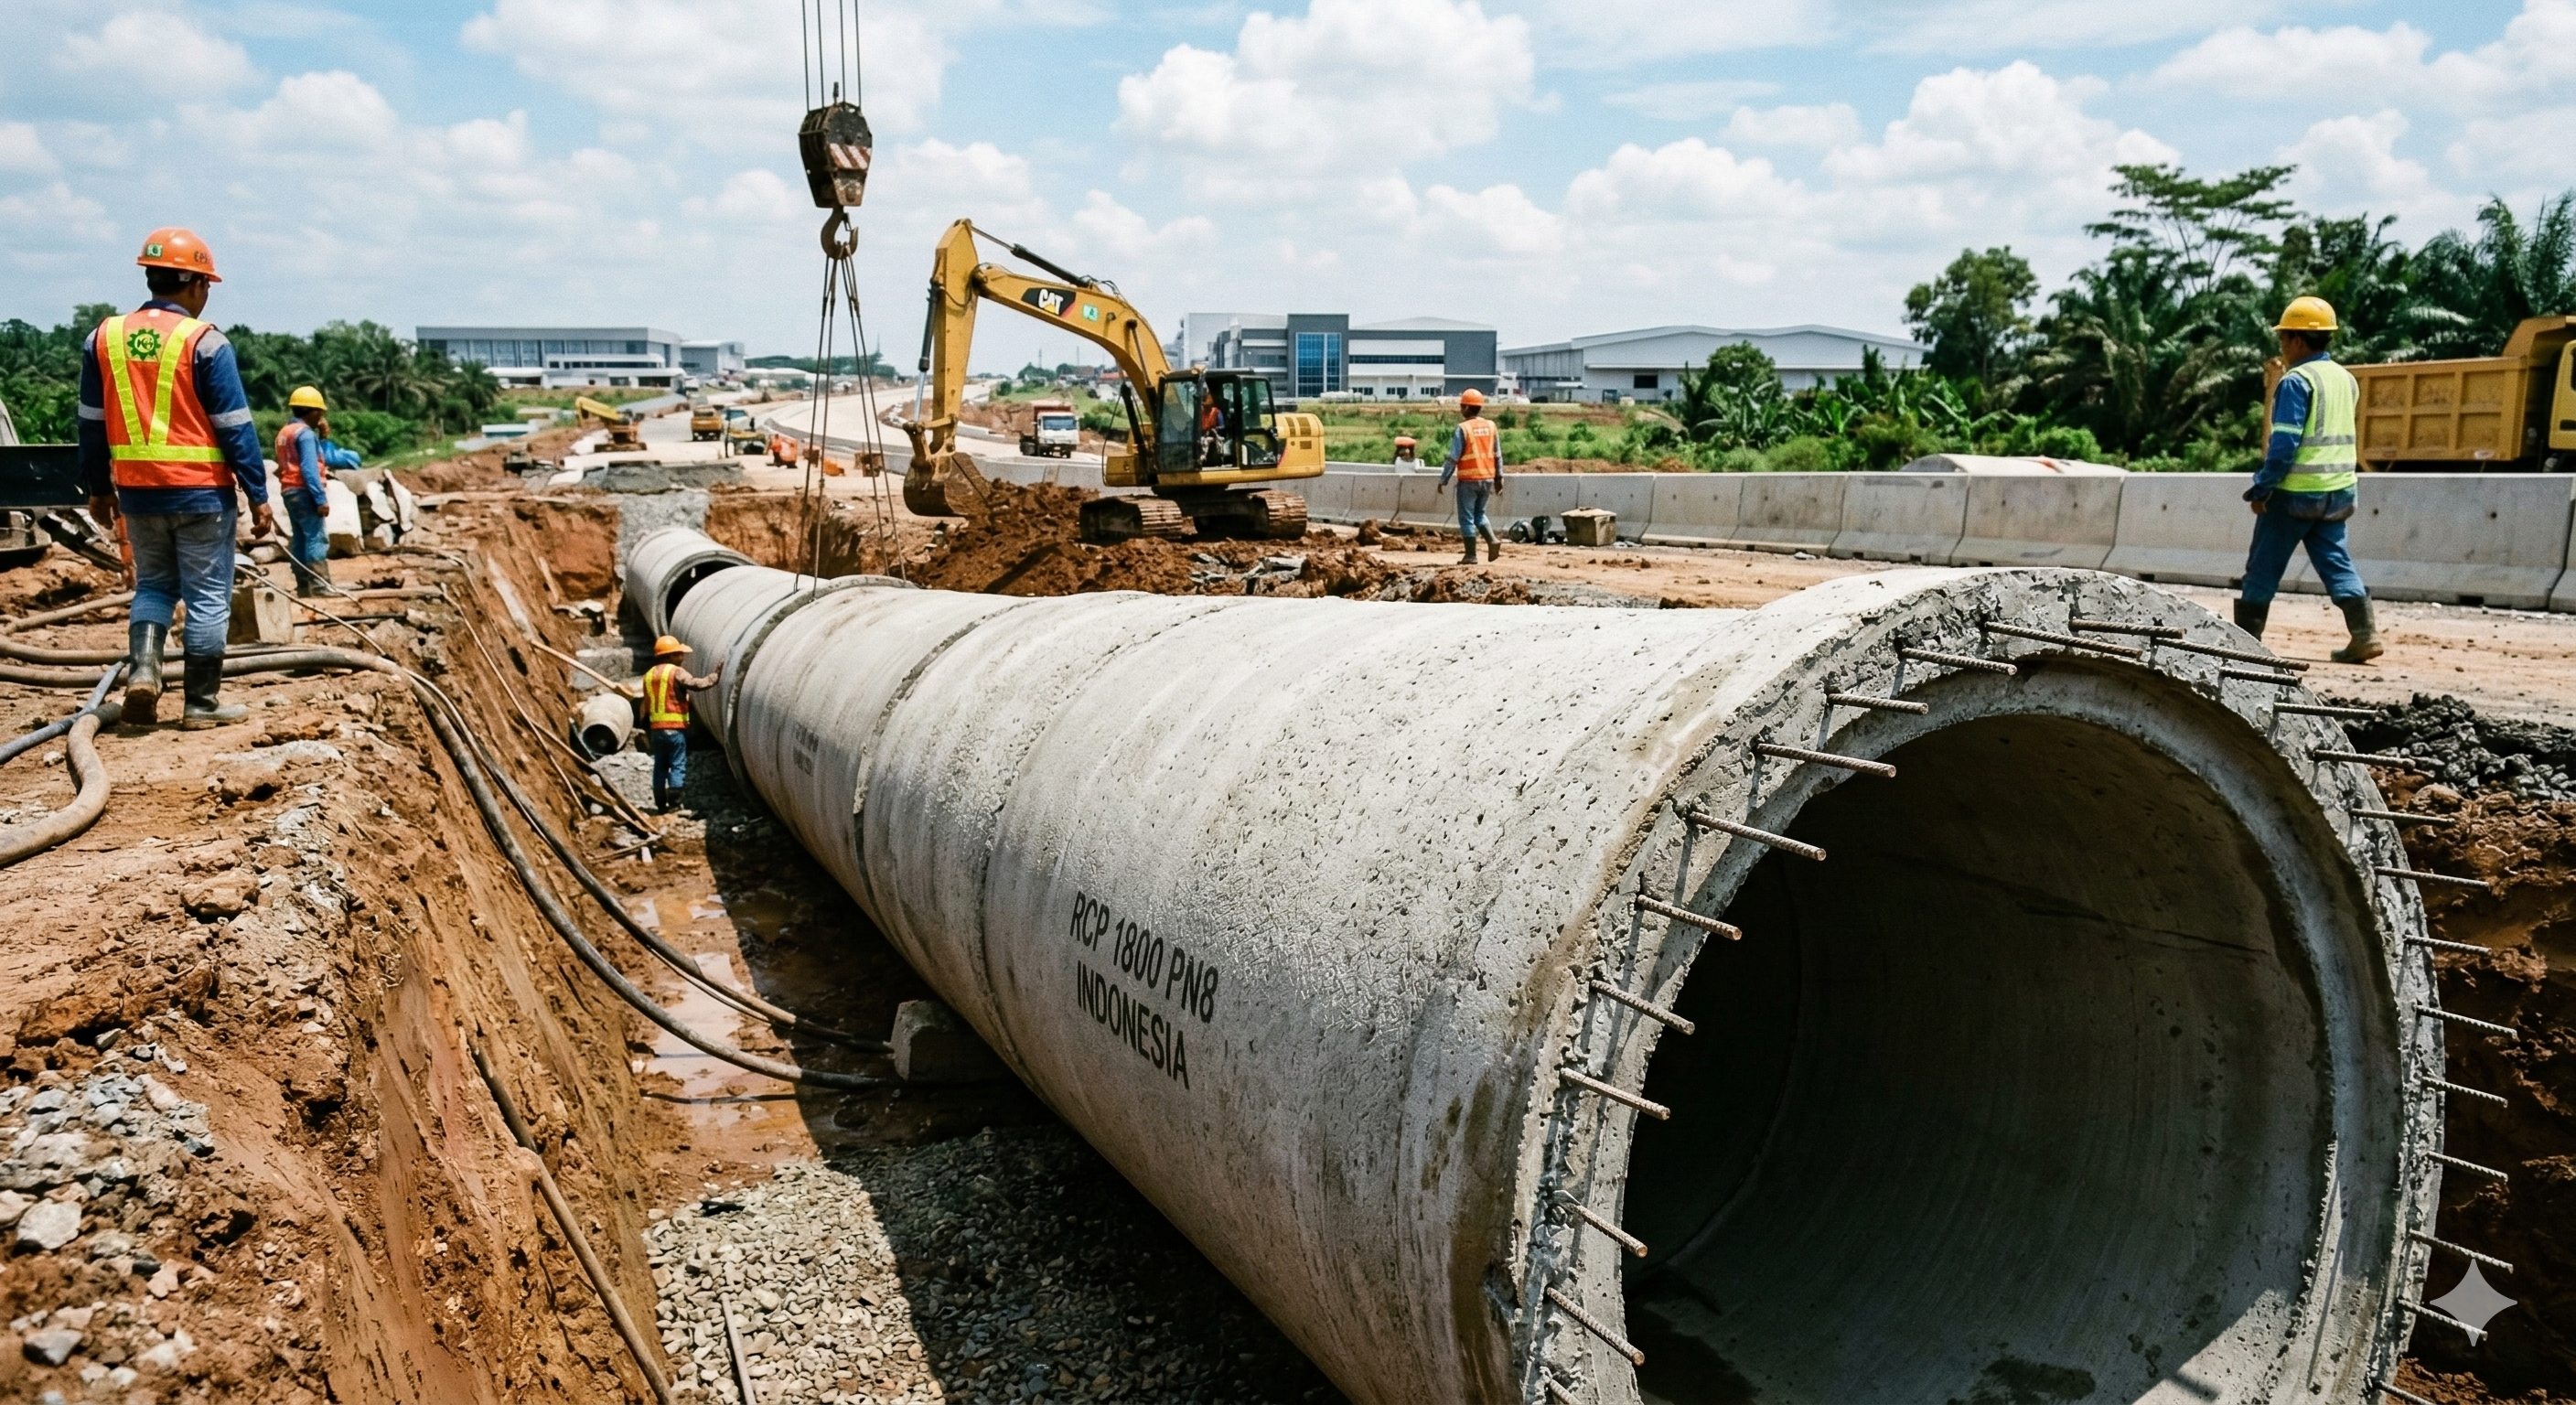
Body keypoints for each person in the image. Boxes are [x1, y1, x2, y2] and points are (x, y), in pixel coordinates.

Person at [79, 227, 274, 727]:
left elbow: (91, 422)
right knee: (208, 594)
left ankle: (145, 672)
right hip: (201, 493)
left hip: (138, 493)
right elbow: (235, 426)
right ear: (194, 284)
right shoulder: (205, 342)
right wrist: (258, 493)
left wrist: (99, 488)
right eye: (207, 285)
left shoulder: (104, 338)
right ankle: (201, 705)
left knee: (155, 587)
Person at [2238, 295, 2381, 663]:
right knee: (2337, 562)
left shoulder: (2296, 381)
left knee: (2263, 568)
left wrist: (2262, 487)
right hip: (2338, 493)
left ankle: (2243, 645)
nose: (2282, 347)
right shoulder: (2346, 380)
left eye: (2284, 338)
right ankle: (2364, 635)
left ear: (2298, 340)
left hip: (2295, 494)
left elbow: (2284, 445)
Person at [273, 386, 361, 597]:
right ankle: (320, 586)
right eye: (320, 412)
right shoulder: (304, 435)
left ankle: (304, 586)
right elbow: (310, 469)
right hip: (304, 491)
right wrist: (320, 498)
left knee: (300, 539)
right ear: (312, 411)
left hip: (289, 491)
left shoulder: (285, 433)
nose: (321, 417)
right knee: (316, 538)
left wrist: (323, 436)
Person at [640, 636, 721, 813]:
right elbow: (695, 684)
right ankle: (675, 805)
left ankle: (661, 805)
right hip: (675, 730)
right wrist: (713, 678)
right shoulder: (675, 672)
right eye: (678, 654)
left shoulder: (649, 675)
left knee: (660, 766)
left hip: (656, 731)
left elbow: (644, 707)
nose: (682, 658)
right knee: (677, 764)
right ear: (669, 656)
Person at [1436, 388, 1504, 563]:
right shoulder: (1491, 426)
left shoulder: (1463, 428)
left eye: (1461, 406)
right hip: (1487, 478)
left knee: (1466, 517)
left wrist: (1443, 479)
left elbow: (1453, 457)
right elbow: (1498, 455)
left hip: (1468, 480)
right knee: (1479, 514)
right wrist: (1499, 478)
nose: (1460, 409)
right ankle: (1492, 540)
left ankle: (1471, 555)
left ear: (1466, 408)